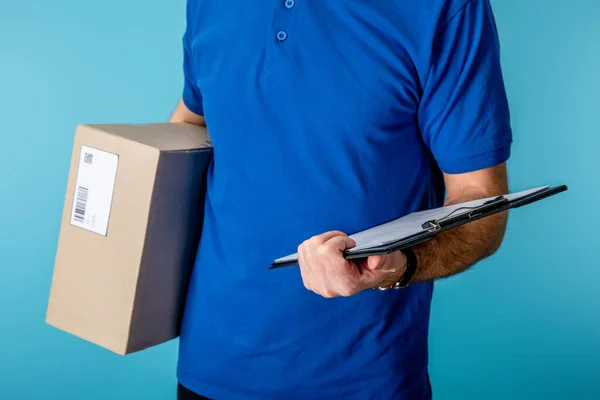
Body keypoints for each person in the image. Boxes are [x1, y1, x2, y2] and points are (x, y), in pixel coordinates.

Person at [169, 0, 512, 398]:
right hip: (210, 365)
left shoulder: (444, 8)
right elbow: (190, 123)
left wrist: (403, 265)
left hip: (364, 378)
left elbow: (480, 201)